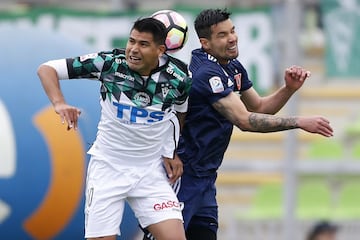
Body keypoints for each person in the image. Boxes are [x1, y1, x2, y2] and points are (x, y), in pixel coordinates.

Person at [143, 8, 333, 240]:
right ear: (206, 43)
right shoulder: (205, 73)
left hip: (205, 180)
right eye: (222, 35)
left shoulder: (232, 66)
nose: (232, 38)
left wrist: (288, 89)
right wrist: (300, 122)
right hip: (182, 177)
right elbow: (244, 120)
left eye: (232, 31)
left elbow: (261, 107)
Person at [37, 17, 192, 240]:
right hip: (108, 169)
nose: (133, 50)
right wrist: (59, 103)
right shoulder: (110, 63)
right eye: (131, 41)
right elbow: (47, 69)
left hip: (150, 171)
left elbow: (179, 112)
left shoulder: (180, 77)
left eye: (143, 44)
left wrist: (171, 150)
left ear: (160, 50)